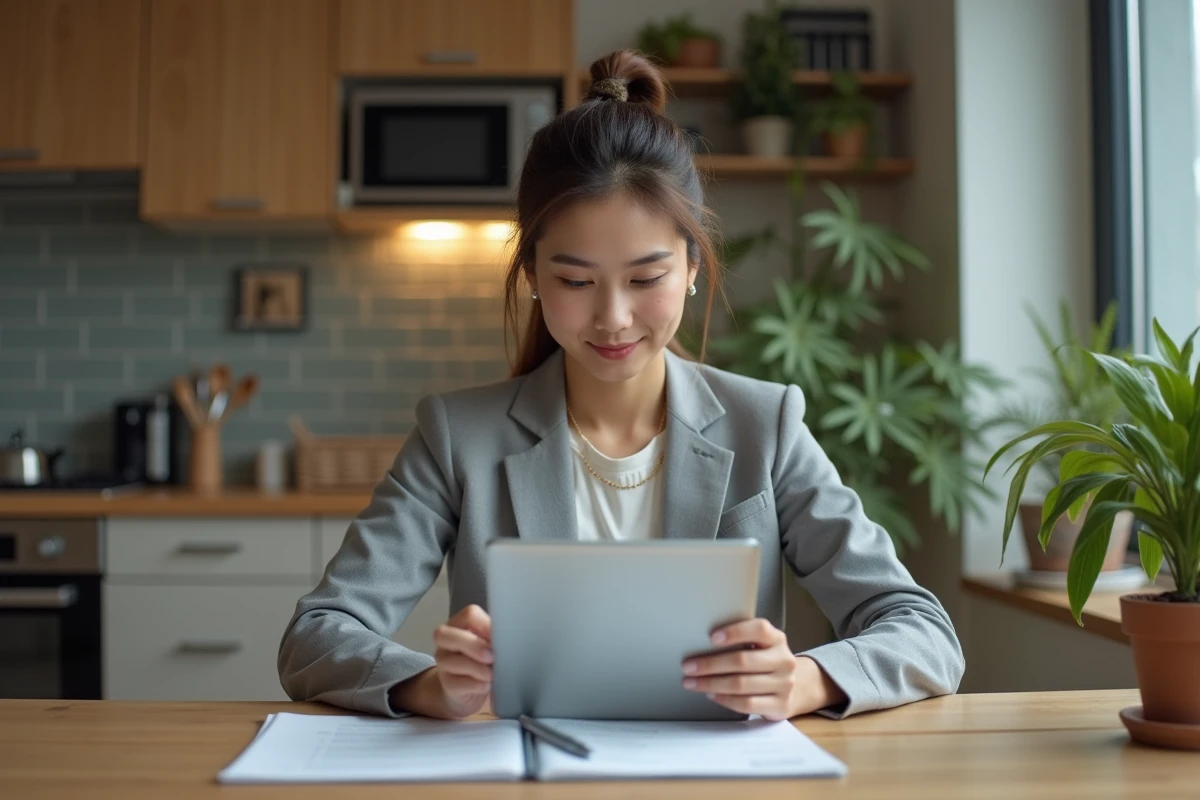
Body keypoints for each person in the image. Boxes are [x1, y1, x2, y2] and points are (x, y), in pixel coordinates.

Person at [278, 50, 964, 723]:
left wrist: (805, 680)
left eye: (645, 279)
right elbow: (317, 633)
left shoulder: (767, 425)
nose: (612, 317)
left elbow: (923, 632)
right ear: (533, 276)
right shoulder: (458, 438)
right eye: (575, 281)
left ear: (693, 266)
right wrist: (429, 687)